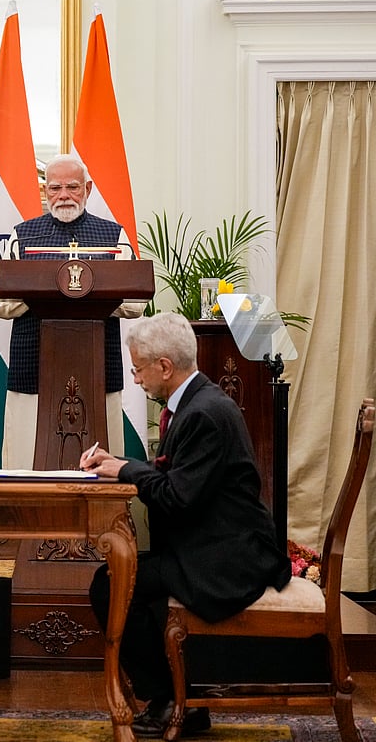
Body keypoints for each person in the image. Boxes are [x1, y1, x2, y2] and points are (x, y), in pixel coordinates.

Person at [80, 312, 291, 738]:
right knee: (116, 578)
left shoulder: (203, 414)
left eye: (138, 369)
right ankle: (176, 697)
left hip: (228, 557)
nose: (136, 379)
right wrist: (123, 465)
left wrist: (124, 471)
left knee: (111, 584)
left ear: (164, 366)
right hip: (209, 543)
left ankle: (171, 700)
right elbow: (176, 478)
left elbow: (176, 496)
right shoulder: (199, 402)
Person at [0, 153, 145, 467]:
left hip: (98, 367)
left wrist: (86, 292)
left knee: (102, 467)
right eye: (55, 188)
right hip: (32, 368)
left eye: (72, 187)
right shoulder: (22, 235)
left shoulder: (114, 236)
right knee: (27, 462)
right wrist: (48, 290)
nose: (63, 195)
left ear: (87, 189)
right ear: (45, 191)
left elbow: (136, 301)